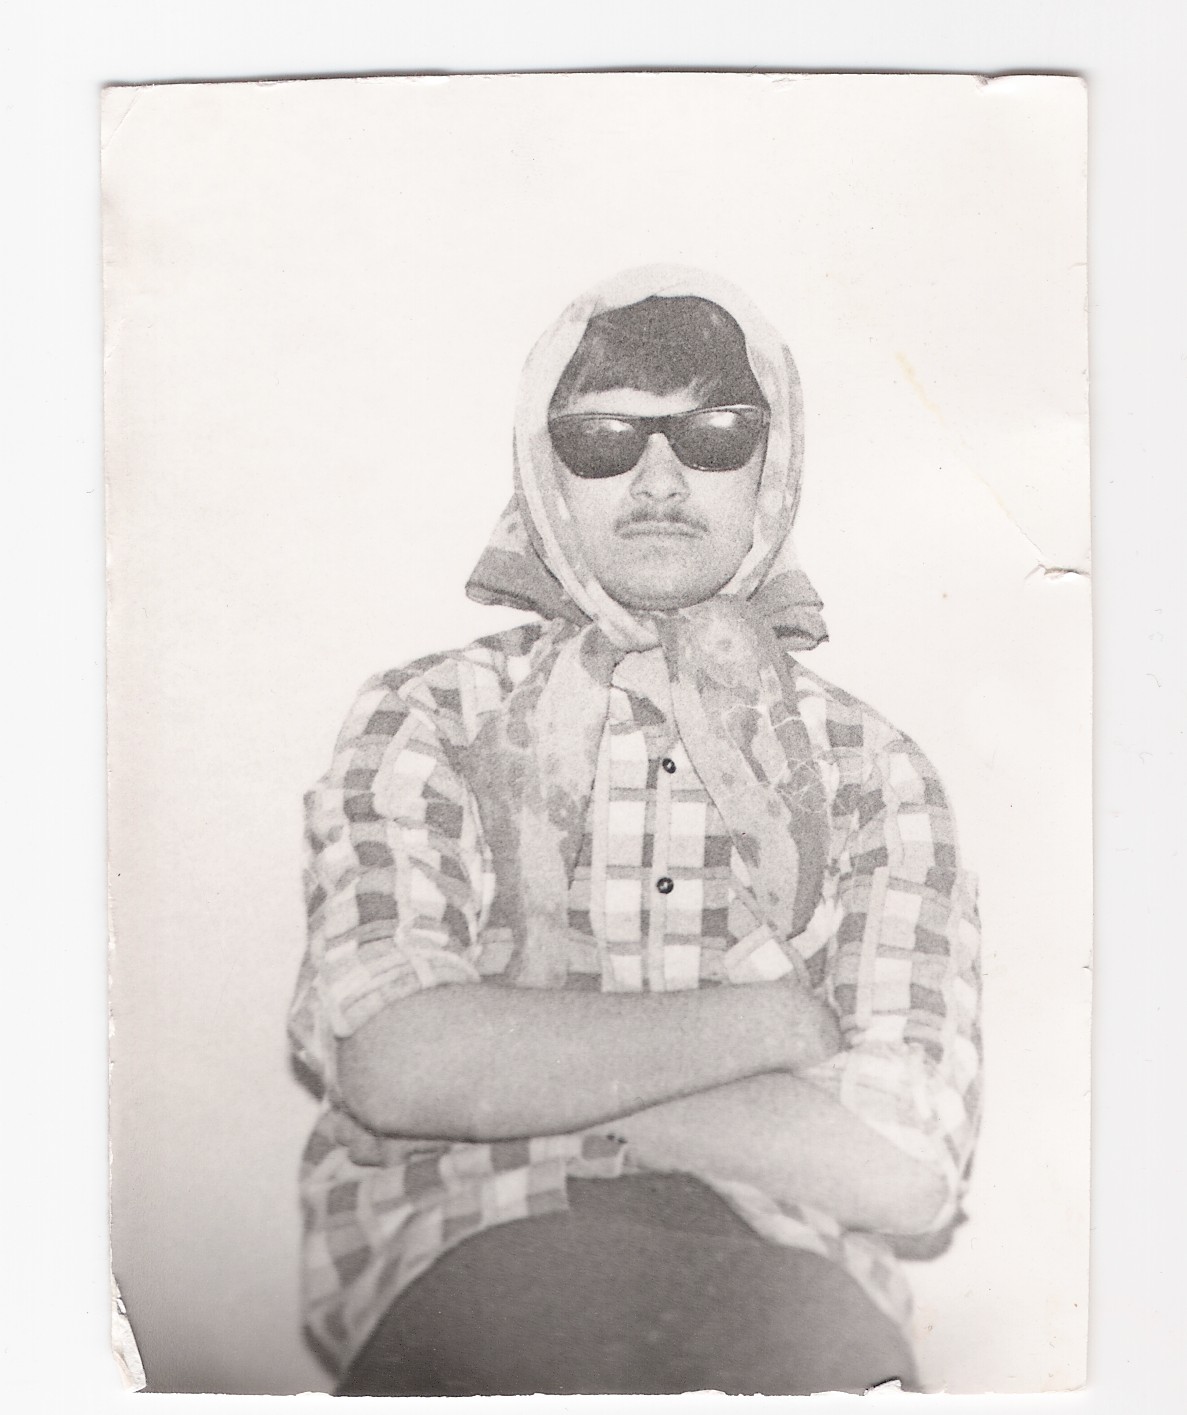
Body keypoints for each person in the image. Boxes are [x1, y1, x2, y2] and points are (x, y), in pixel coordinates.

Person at [287, 266, 982, 1397]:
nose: (659, 479)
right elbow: (398, 1060)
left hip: (792, 1302)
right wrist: (774, 1024)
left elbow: (900, 1168)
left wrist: (512, 1077)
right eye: (602, 439)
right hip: (481, 1271)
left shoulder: (871, 766)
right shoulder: (428, 717)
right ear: (543, 471)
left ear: (772, 465)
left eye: (713, 435)